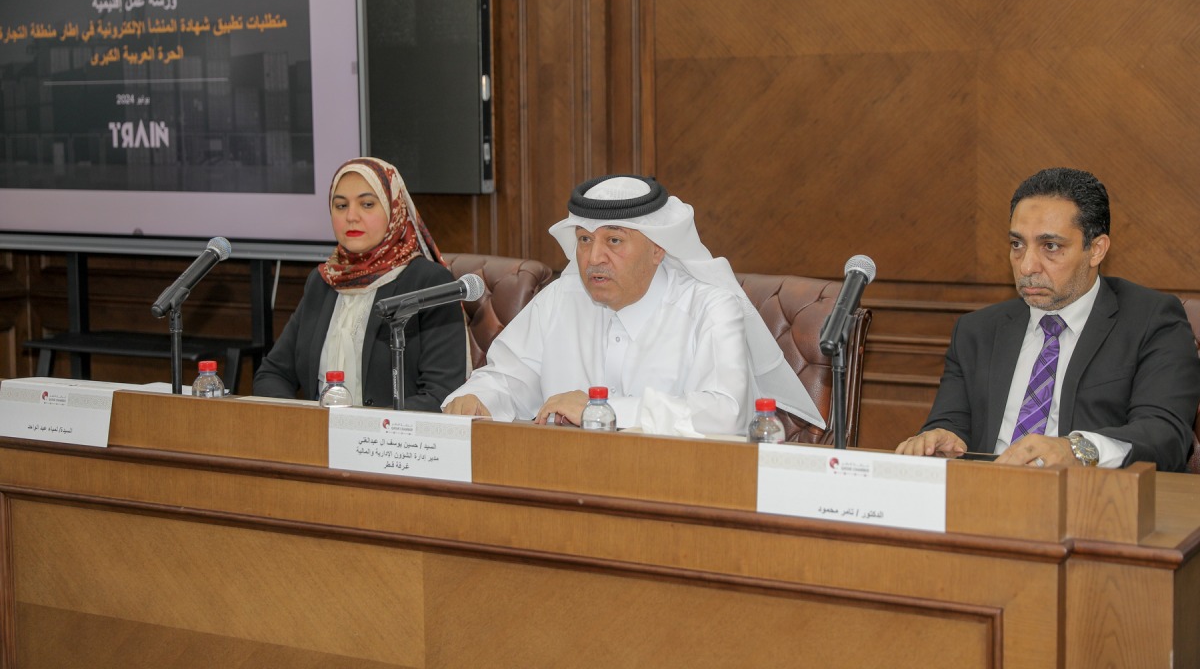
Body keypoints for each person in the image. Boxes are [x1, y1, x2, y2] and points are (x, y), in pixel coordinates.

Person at [441, 174, 824, 437]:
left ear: (658, 249)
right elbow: (508, 377)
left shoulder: (711, 307)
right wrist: (476, 400)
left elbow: (725, 414)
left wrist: (602, 411)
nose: (593, 259)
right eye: (585, 240)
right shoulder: (561, 299)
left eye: (614, 241)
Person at [896, 168, 1200, 471]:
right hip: (986, 501)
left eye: (1050, 246)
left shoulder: (1151, 320)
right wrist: (940, 438)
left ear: (1096, 249)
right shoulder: (977, 331)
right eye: (1017, 244)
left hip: (1092, 506)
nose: (1027, 265)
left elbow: (1165, 436)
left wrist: (1077, 449)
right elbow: (951, 423)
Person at [254, 157, 467, 409]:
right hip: (319, 440)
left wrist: (364, 430)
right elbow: (272, 374)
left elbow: (440, 393)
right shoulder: (323, 281)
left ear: (393, 209)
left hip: (393, 442)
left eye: (367, 204)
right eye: (341, 205)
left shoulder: (428, 282)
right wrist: (302, 425)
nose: (351, 217)